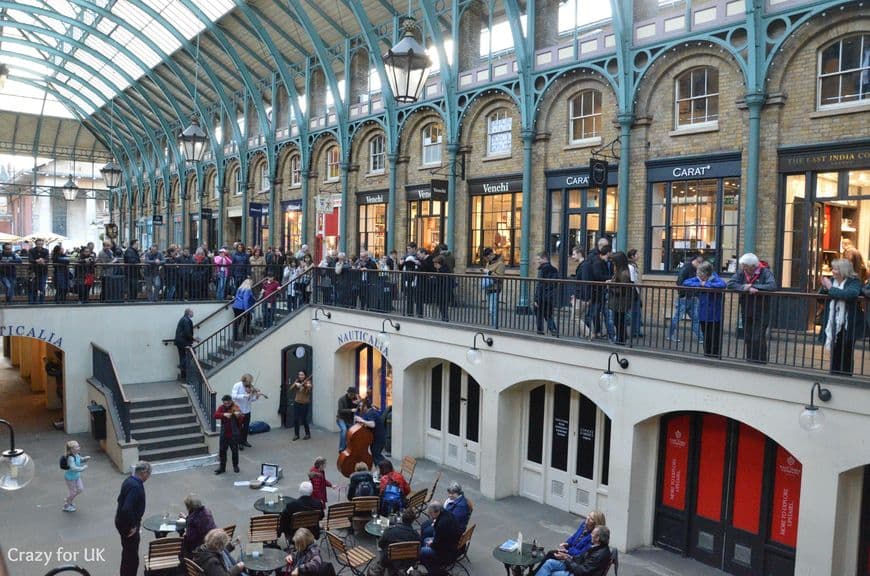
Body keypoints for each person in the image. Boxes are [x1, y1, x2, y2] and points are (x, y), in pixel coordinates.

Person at [727, 253, 777, 363]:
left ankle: (760, 361)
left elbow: (772, 286)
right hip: (746, 308)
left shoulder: (765, 272)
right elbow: (730, 284)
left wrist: (755, 287)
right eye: (743, 266)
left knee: (758, 337)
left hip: (762, 309)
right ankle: (750, 359)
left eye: (745, 266)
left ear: (753, 266)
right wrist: (744, 288)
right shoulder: (742, 272)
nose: (743, 268)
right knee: (748, 336)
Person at [819, 258, 863, 375]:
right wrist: (824, 288)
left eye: (835, 269)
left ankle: (845, 376)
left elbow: (850, 294)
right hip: (833, 321)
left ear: (843, 271)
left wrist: (830, 288)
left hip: (848, 323)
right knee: (835, 350)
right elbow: (819, 299)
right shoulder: (832, 281)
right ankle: (833, 373)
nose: (832, 271)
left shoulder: (854, 282)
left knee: (846, 351)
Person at [537, 511, 606, 573]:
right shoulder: (584, 525)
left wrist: (568, 551)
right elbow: (574, 536)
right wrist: (567, 543)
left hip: (573, 557)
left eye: (591, 518)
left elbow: (581, 554)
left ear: (596, 524)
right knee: (551, 553)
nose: (587, 518)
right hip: (570, 551)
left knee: (551, 555)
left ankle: (536, 572)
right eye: (589, 515)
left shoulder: (593, 537)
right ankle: (535, 572)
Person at [682, 261, 726, 358]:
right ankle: (707, 354)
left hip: (715, 314)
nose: (698, 276)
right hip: (703, 313)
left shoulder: (714, 278)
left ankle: (715, 355)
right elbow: (686, 282)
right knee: (706, 335)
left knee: (714, 335)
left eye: (699, 274)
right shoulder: (698, 279)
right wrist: (699, 284)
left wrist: (706, 284)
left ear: (706, 274)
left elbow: (722, 284)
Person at [115, 461, 151, 576]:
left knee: (127, 552)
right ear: (143, 473)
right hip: (128, 526)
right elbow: (126, 508)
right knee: (132, 556)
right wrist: (133, 526)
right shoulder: (136, 486)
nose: (149, 477)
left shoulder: (129, 480)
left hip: (121, 521)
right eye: (148, 474)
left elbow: (119, 499)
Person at [535, 526, 612, 576]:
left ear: (598, 538)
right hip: (575, 565)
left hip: (577, 573)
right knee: (549, 562)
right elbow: (580, 557)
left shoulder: (599, 554)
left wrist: (566, 558)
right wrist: (568, 556)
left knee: (551, 574)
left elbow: (582, 572)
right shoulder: (596, 546)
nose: (591, 535)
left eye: (592, 533)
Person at [367, 508, 420, 576]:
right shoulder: (416, 535)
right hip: (408, 562)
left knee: (381, 547)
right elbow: (418, 552)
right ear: (412, 520)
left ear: (402, 518)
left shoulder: (390, 530)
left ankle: (381, 566)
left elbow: (380, 544)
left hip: (389, 561)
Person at [668, 253, 704, 344]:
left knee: (695, 318)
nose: (700, 265)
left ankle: (701, 337)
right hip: (684, 298)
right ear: (695, 261)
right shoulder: (686, 268)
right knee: (678, 318)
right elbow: (679, 281)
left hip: (692, 298)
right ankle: (670, 335)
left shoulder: (695, 269)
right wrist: (683, 293)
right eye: (699, 263)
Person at [419, 501, 462, 573]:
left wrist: (431, 544)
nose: (430, 516)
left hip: (445, 553)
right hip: (451, 544)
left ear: (436, 512)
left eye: (430, 513)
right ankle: (426, 559)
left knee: (421, 551)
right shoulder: (447, 514)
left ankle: (431, 568)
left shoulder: (442, 524)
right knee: (426, 539)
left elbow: (436, 545)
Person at [605, 252, 633, 345]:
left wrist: (611, 286)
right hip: (618, 301)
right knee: (618, 320)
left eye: (614, 262)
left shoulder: (624, 273)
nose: (613, 264)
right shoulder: (620, 271)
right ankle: (620, 338)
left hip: (621, 302)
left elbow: (622, 290)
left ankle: (620, 340)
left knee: (619, 321)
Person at [214, 395, 243, 474]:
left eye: (228, 403)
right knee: (222, 451)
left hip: (233, 434)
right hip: (224, 433)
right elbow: (215, 415)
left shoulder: (235, 407)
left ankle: (235, 466)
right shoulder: (221, 407)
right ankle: (222, 467)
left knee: (234, 451)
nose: (226, 405)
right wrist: (223, 414)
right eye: (225, 403)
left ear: (230, 401)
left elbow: (241, 420)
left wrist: (238, 416)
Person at [181, 494, 217, 558]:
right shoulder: (207, 512)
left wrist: (185, 534)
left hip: (200, 551)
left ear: (190, 507)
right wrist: (187, 517)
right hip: (212, 544)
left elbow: (190, 539)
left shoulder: (192, 519)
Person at [231, 374, 260, 449]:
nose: (249, 385)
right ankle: (239, 443)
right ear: (243, 381)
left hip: (247, 409)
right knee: (238, 427)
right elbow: (233, 396)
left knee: (246, 427)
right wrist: (244, 395)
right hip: (238, 410)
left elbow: (251, 399)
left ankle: (244, 441)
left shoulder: (251, 386)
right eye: (247, 383)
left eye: (250, 383)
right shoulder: (237, 385)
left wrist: (256, 397)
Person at [535, 251, 560, 337]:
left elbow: (540, 285)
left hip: (542, 296)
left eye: (539, 259)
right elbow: (555, 284)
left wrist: (536, 298)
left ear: (544, 258)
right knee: (548, 314)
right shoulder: (554, 269)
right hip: (550, 296)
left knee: (539, 313)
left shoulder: (542, 269)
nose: (538, 261)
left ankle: (540, 330)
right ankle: (553, 330)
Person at [356, 398, 387, 466]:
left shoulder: (371, 413)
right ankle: (383, 470)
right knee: (376, 455)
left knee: (376, 456)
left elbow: (372, 424)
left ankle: (386, 469)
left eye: (361, 406)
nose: (360, 407)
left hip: (378, 439)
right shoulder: (369, 412)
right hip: (376, 438)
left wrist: (362, 420)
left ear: (366, 406)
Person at [62, 440, 89, 512]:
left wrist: (85, 459)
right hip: (70, 478)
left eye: (78, 446)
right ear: (71, 449)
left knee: (80, 489)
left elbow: (80, 459)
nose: (79, 448)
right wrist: (82, 468)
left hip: (77, 476)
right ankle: (66, 505)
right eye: (77, 447)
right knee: (73, 492)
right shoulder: (70, 458)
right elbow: (73, 468)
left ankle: (69, 499)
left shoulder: (76, 454)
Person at [481, 247, 505, 329]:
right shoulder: (488, 263)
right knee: (491, 310)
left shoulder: (500, 264)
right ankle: (493, 326)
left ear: (491, 254)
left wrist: (489, 272)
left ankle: (495, 327)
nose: (486, 260)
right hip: (489, 288)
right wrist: (485, 271)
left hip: (495, 288)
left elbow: (500, 277)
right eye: (485, 258)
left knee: (493, 310)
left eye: (487, 257)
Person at [174, 308, 197, 380]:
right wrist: (193, 339)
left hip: (179, 341)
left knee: (182, 356)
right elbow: (187, 332)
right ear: (189, 313)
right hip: (183, 341)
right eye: (192, 312)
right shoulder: (187, 320)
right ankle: (181, 365)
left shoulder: (183, 319)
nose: (193, 313)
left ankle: (184, 375)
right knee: (192, 352)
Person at [336, 387, 359, 452]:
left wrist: (358, 404)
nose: (352, 396)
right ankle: (341, 448)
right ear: (348, 393)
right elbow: (340, 410)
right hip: (341, 418)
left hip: (349, 420)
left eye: (354, 395)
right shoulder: (341, 399)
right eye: (351, 395)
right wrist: (351, 410)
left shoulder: (355, 399)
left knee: (352, 433)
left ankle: (349, 447)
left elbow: (358, 408)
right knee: (344, 430)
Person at [627, 248, 643, 338]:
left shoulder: (634, 265)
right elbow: (632, 281)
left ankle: (637, 330)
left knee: (637, 312)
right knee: (634, 312)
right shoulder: (631, 266)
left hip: (636, 290)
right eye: (636, 254)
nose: (638, 256)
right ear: (632, 256)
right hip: (633, 292)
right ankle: (634, 332)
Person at [291, 370, 312, 440]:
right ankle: (296, 435)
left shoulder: (308, 382)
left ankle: (308, 434)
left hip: (305, 403)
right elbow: (291, 389)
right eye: (299, 374)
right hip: (297, 402)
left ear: (305, 375)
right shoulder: (297, 381)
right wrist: (296, 384)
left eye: (302, 375)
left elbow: (308, 390)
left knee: (304, 419)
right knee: (296, 419)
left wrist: (305, 385)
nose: (300, 376)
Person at [28, 237, 50, 304]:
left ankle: (42, 301)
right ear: (36, 244)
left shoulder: (46, 250)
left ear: (43, 244)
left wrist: (41, 260)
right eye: (38, 244)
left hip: (43, 271)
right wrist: (37, 260)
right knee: (33, 287)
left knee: (42, 287)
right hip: (34, 271)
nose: (40, 245)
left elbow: (47, 259)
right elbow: (30, 259)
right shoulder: (31, 250)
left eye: (41, 244)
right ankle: (33, 301)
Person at [432, 255, 453, 322]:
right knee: (441, 305)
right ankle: (444, 317)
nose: (434, 265)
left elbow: (439, 280)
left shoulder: (443, 270)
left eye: (436, 264)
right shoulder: (442, 269)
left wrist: (433, 279)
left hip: (443, 290)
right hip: (442, 290)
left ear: (439, 264)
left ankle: (445, 318)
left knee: (443, 305)